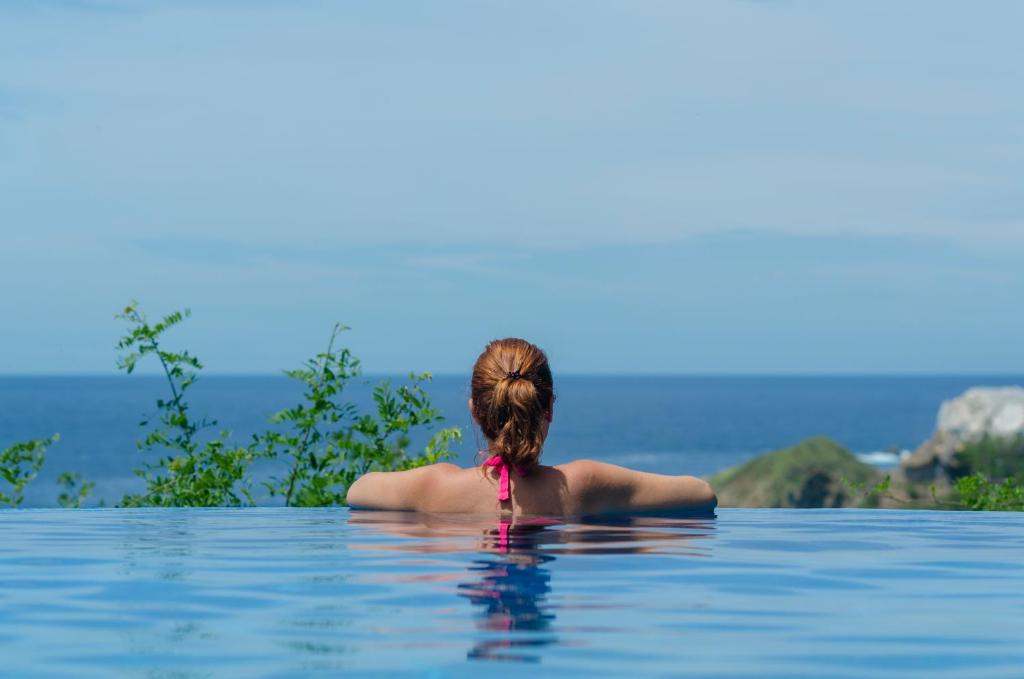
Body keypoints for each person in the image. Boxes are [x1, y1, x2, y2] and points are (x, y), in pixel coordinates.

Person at [347, 338, 717, 516]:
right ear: (549, 408)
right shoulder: (584, 484)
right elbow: (702, 494)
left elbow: (357, 491)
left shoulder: (434, 486)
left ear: (475, 411)